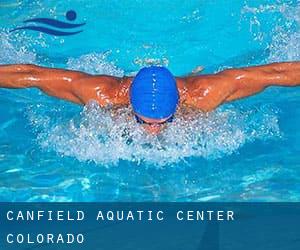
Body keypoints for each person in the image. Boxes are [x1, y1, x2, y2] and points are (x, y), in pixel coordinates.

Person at [0, 62, 299, 134]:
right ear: (130, 105)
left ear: (177, 107)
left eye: (163, 122)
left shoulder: (204, 94)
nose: (153, 132)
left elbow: (273, 74)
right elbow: (31, 75)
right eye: (142, 121)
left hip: (191, 84)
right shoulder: (101, 93)